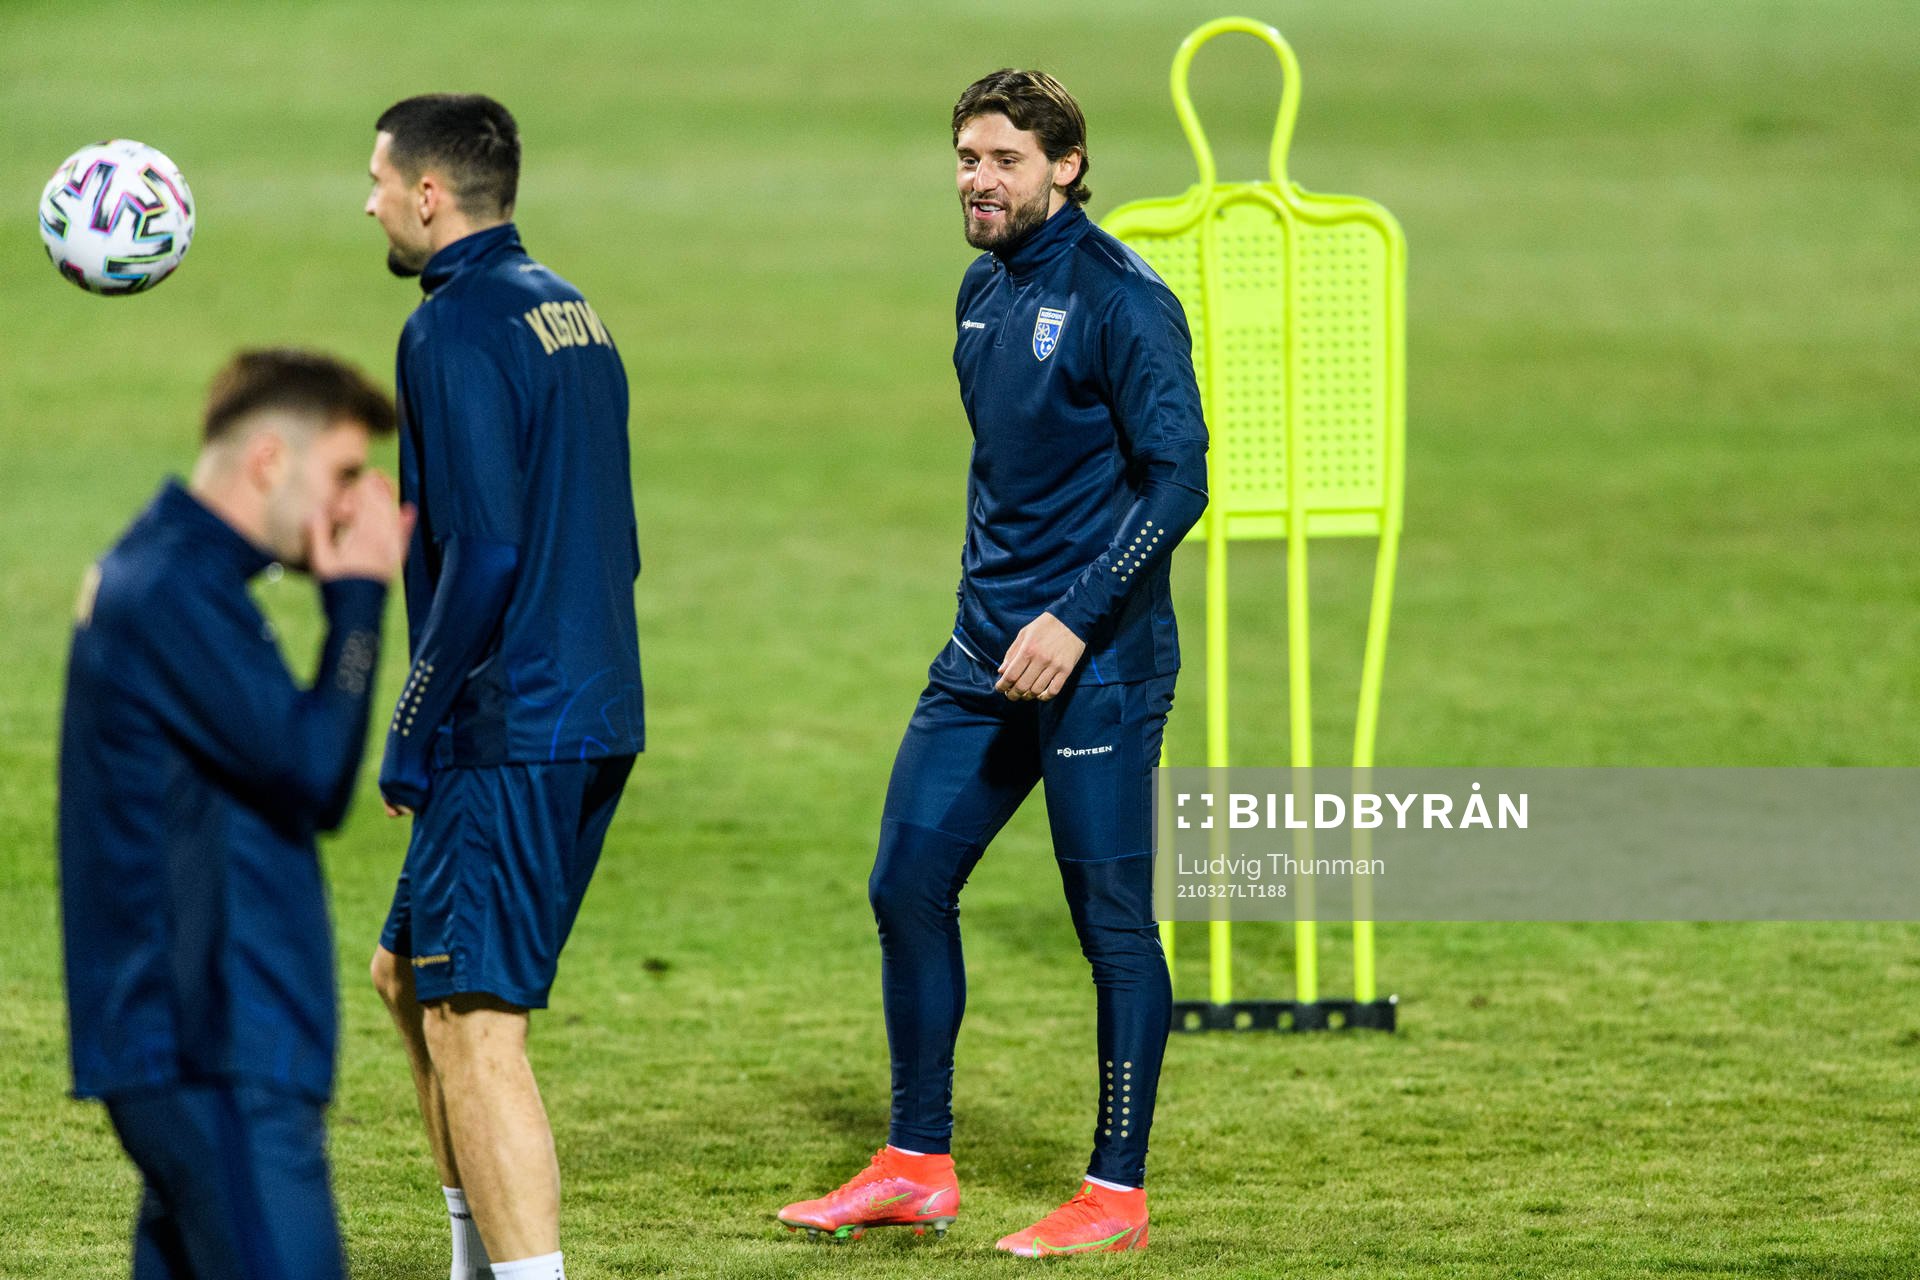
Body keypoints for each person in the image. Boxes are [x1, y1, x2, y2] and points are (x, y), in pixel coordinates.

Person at [777, 69, 1209, 1256]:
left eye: (1004, 159)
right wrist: (999, 613)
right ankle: (917, 1161)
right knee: (904, 885)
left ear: (1066, 165)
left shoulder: (1124, 299)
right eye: (966, 156)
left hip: (1099, 662)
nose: (978, 178)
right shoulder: (979, 291)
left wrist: (1073, 615)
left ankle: (1115, 1190)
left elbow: (1182, 477)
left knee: (1109, 924)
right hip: (980, 658)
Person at [362, 93, 644, 1280]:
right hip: (590, 703)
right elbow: (610, 537)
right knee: (405, 978)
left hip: (507, 721)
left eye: (377, 178)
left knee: (477, 1029)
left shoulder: (451, 328)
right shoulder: (567, 311)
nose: (367, 199)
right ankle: (474, 1261)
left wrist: (414, 721)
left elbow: (483, 553)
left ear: (431, 193)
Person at [57, 349, 409, 1280]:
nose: (350, 504)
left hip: (198, 1044)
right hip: (215, 1046)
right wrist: (361, 603)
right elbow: (315, 772)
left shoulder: (174, 575)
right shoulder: (173, 590)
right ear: (267, 461)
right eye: (340, 474)